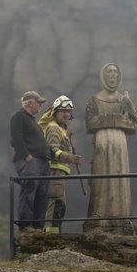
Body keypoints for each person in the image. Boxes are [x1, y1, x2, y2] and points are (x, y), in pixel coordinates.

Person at [83, 63, 137, 235]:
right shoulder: (94, 99)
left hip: (120, 143)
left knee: (119, 175)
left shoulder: (124, 99)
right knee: (101, 177)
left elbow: (134, 123)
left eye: (115, 72)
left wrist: (112, 120)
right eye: (109, 72)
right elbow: (90, 122)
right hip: (102, 142)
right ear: (103, 76)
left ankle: (121, 217)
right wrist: (116, 119)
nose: (112, 75)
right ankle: (99, 217)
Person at [10, 90, 51, 232]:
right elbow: (16, 137)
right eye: (38, 103)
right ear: (30, 102)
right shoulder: (18, 117)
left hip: (43, 162)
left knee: (42, 193)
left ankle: (38, 226)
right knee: (29, 189)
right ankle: (26, 225)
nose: (40, 106)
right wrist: (27, 155)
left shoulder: (33, 122)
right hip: (29, 161)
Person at [41, 95, 81, 233]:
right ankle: (50, 236)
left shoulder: (62, 129)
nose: (66, 114)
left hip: (60, 173)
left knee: (60, 204)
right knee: (56, 202)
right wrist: (68, 157)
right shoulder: (53, 128)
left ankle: (54, 232)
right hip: (54, 171)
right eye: (63, 111)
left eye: (68, 111)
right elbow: (52, 149)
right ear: (56, 112)